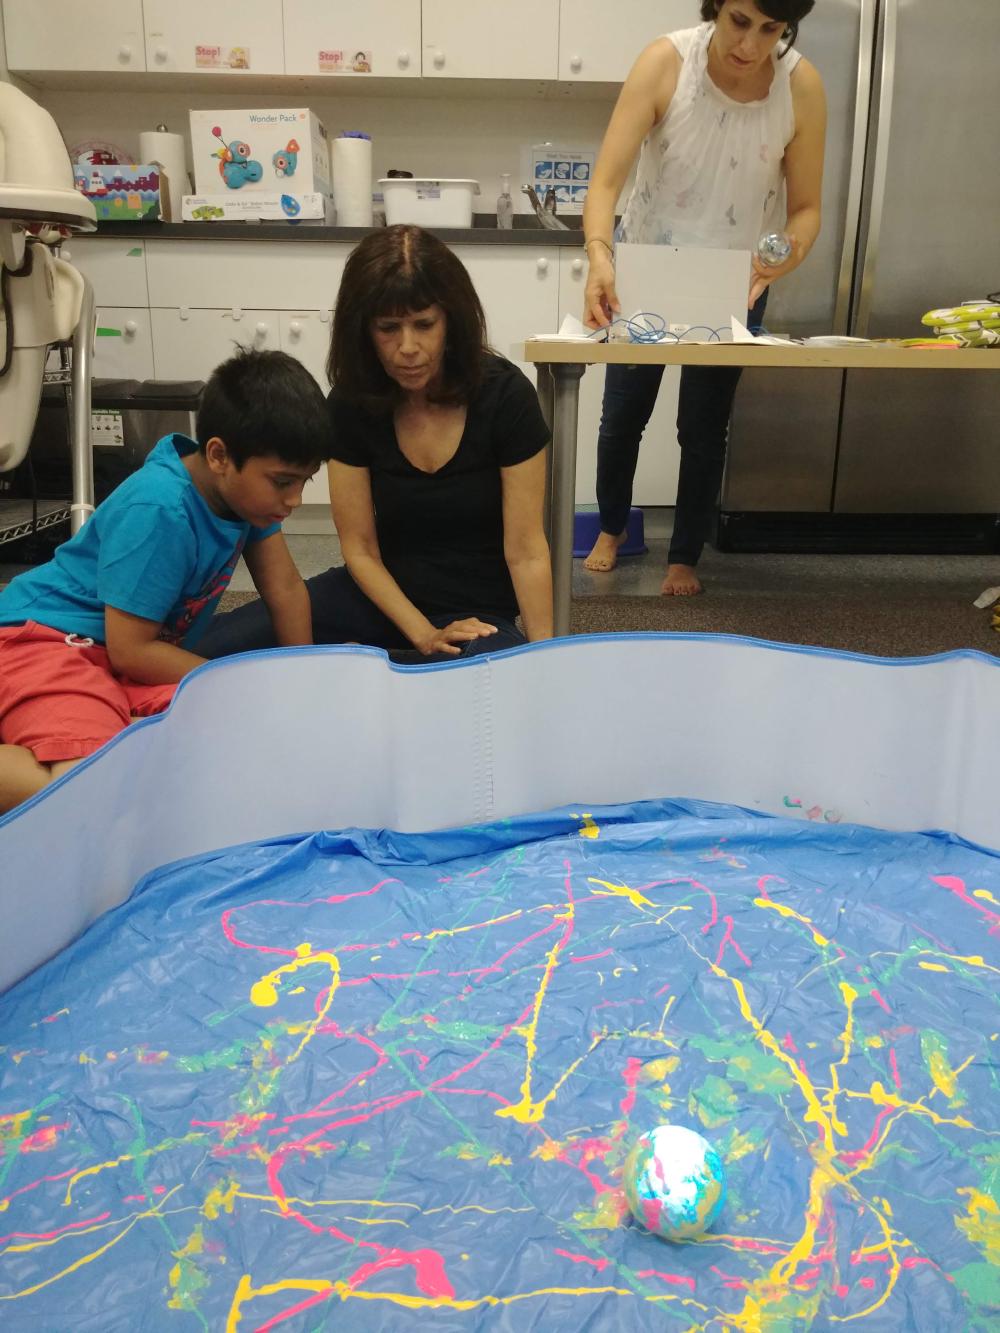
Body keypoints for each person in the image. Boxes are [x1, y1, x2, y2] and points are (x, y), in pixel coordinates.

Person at [200, 224, 553, 663]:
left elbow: (526, 551)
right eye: (388, 328)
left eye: (425, 324)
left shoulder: (506, 396)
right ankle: (374, 661)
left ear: (452, 321)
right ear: (363, 331)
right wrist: (422, 633)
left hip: (476, 617)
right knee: (209, 651)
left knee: (482, 681)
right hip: (374, 596)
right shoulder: (351, 403)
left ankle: (363, 664)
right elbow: (360, 550)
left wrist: (543, 662)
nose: (408, 347)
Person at [0, 347, 331, 814]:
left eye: (305, 482)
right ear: (219, 455)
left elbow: (286, 589)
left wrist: (305, 683)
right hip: (46, 641)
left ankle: (101, 727)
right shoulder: (159, 508)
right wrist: (234, 682)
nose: (294, 499)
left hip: (116, 656)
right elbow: (131, 649)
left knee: (229, 739)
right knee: (97, 784)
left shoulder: (246, 499)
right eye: (282, 481)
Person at [581, 0, 826, 594]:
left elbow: (806, 209)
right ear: (716, 7)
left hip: (734, 283)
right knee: (622, 419)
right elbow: (607, 180)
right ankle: (612, 525)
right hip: (644, 270)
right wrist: (598, 255)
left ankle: (684, 555)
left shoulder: (802, 86)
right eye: (740, 21)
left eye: (772, 31)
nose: (751, 44)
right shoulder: (665, 62)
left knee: (703, 426)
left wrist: (784, 256)